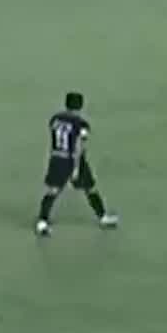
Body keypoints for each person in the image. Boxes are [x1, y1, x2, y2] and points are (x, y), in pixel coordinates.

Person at [36, 91, 118, 236]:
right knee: (90, 188)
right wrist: (76, 168)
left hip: (56, 158)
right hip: (73, 159)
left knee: (53, 190)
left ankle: (42, 221)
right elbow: (79, 146)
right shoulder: (81, 124)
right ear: (81, 106)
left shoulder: (55, 119)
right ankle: (103, 217)